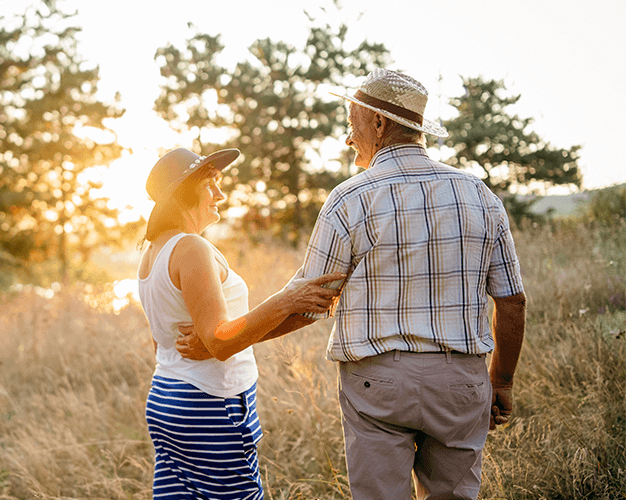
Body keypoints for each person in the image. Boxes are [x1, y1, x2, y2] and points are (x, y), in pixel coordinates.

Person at [292, 68, 527, 499]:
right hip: (461, 383)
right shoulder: (479, 195)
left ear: (378, 124)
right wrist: (503, 381)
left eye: (352, 123)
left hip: (378, 385)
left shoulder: (349, 199)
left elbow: (308, 303)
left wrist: (230, 338)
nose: (348, 138)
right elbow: (512, 302)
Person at [138, 147, 346, 499]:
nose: (220, 194)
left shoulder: (151, 252)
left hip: (166, 400)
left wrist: (289, 311)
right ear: (184, 194)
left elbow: (165, 340)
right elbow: (220, 342)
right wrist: (284, 300)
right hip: (211, 405)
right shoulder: (192, 249)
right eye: (211, 184)